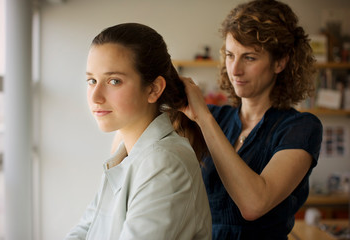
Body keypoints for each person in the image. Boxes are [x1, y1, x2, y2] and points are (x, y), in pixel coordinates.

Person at [180, 0, 323, 239]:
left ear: (280, 62)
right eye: (230, 55)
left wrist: (203, 118)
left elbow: (254, 204)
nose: (234, 70)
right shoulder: (215, 118)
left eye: (249, 58)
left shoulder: (301, 128)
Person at [64, 23, 211, 240]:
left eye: (114, 81)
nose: (95, 96)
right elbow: (86, 229)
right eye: (92, 80)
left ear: (153, 89)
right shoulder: (126, 156)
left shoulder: (165, 163)